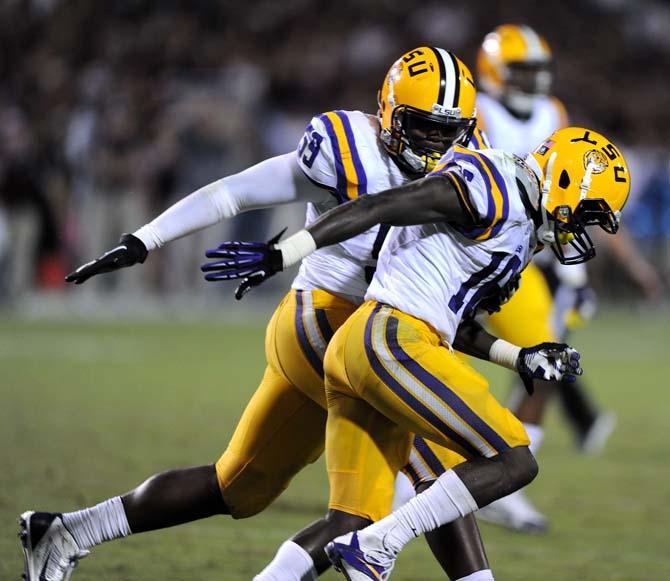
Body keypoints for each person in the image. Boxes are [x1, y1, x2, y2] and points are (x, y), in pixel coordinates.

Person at [19, 47, 525, 581]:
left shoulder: (469, 162)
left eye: (446, 130)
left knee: (238, 486)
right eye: (421, 127)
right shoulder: (347, 148)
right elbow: (234, 192)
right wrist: (145, 240)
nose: (434, 143)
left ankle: (69, 530)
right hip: (329, 324)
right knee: (425, 475)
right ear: (389, 109)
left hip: (370, 333)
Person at [206, 125, 629, 579]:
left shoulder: (522, 227)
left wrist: (519, 357)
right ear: (565, 182)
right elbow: (376, 206)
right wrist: (286, 252)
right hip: (392, 342)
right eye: (588, 214)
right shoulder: (495, 185)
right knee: (513, 459)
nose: (583, 229)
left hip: (374, 346)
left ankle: (343, 551)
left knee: (350, 518)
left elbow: (456, 322)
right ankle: (377, 544)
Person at [474, 24, 661, 532]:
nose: (532, 80)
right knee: (427, 362)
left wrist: (574, 272)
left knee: (547, 367)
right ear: (494, 70)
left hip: (522, 261)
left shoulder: (553, 114)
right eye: (521, 70)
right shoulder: (476, 110)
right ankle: (433, 480)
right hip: (467, 252)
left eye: (537, 70)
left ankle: (498, 482)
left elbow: (571, 190)